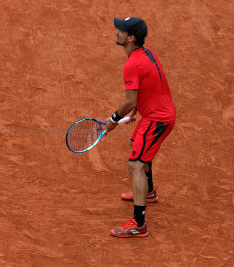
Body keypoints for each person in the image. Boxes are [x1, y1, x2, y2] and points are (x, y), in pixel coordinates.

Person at [104, 17, 176, 238]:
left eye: (122, 30)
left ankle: (139, 224)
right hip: (154, 113)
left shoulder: (132, 64)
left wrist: (114, 119)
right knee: (136, 143)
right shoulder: (146, 53)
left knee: (135, 165)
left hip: (158, 119)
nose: (117, 32)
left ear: (131, 38)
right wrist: (139, 107)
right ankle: (150, 191)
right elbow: (151, 84)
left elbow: (129, 102)